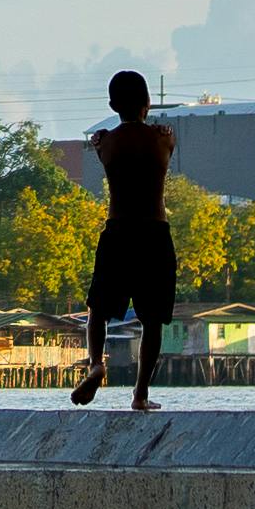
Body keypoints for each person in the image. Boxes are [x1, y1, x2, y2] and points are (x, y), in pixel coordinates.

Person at [75, 70, 176, 410]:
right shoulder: (162, 140)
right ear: (148, 102)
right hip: (154, 234)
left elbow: (101, 149)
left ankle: (95, 363)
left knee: (98, 310)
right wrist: (162, 131)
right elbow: (168, 144)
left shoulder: (106, 143)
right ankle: (140, 394)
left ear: (112, 105)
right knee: (152, 320)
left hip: (118, 232)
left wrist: (100, 140)